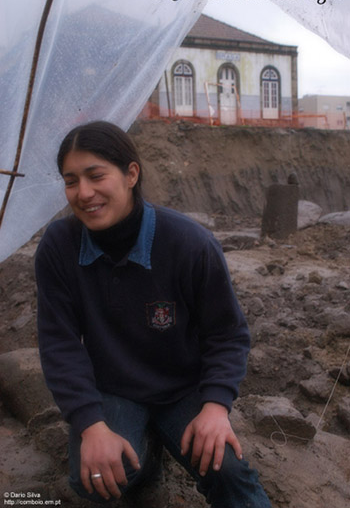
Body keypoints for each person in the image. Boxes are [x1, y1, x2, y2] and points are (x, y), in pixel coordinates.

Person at [35, 121, 271, 507]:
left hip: (183, 391)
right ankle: (145, 461)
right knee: (94, 480)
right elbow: (59, 344)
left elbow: (227, 335)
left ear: (131, 174)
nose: (84, 193)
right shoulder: (59, 247)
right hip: (114, 390)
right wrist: (90, 425)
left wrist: (215, 407)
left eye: (96, 176)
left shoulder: (189, 244)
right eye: (71, 180)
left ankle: (161, 438)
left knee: (228, 473)